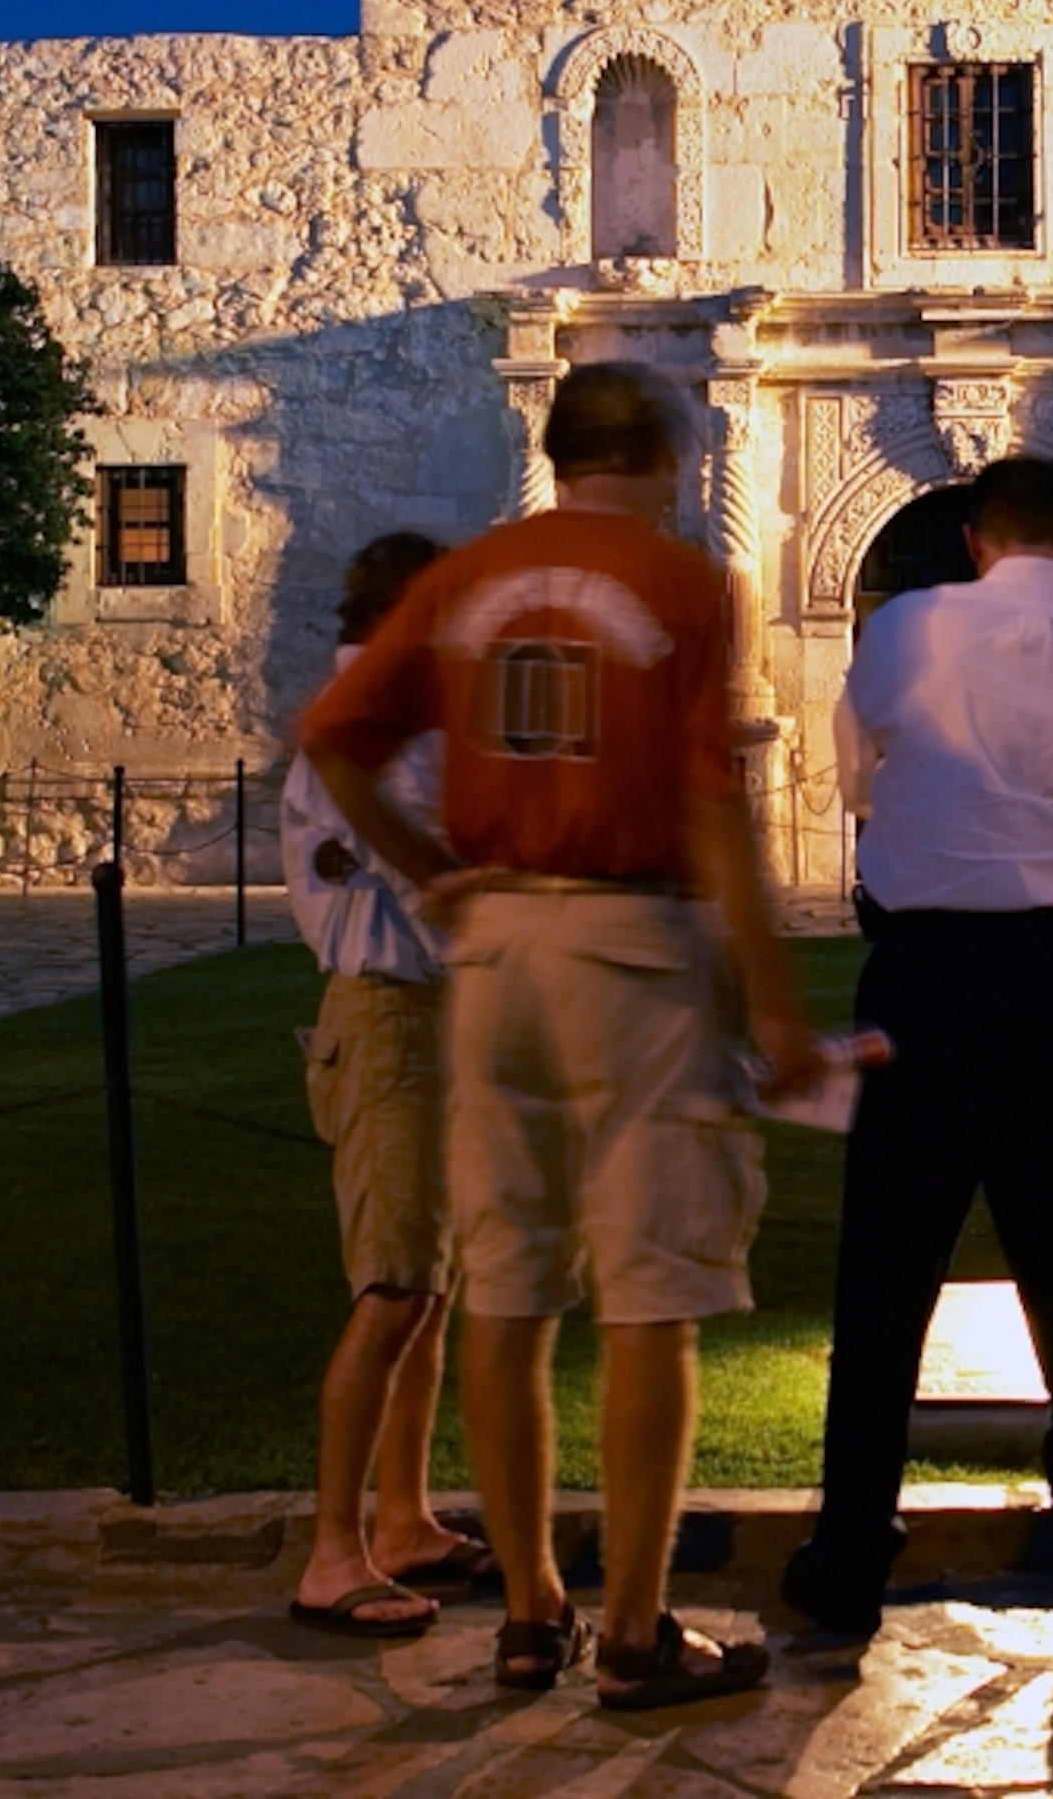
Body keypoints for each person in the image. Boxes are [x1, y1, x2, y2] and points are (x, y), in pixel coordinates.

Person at [299, 362, 824, 1710]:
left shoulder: (471, 577)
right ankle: (639, 1626)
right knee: (652, 1292)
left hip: (495, 953)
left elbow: (339, 737)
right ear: (659, 452)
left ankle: (532, 1609)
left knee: (511, 1286)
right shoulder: (680, 585)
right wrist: (773, 999)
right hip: (627, 943)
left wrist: (435, 870)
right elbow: (713, 805)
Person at [780, 454, 1053, 1637]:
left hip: (931, 978)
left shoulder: (905, 631)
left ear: (972, 539)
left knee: (887, 1270)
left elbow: (856, 781)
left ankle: (853, 1547)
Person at [281, 531, 495, 1636]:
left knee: (429, 1283)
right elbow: (433, 865)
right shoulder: (364, 731)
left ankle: (405, 1519)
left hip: (432, 1013)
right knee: (393, 1287)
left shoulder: (398, 720)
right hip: (392, 1014)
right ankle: (333, 1551)